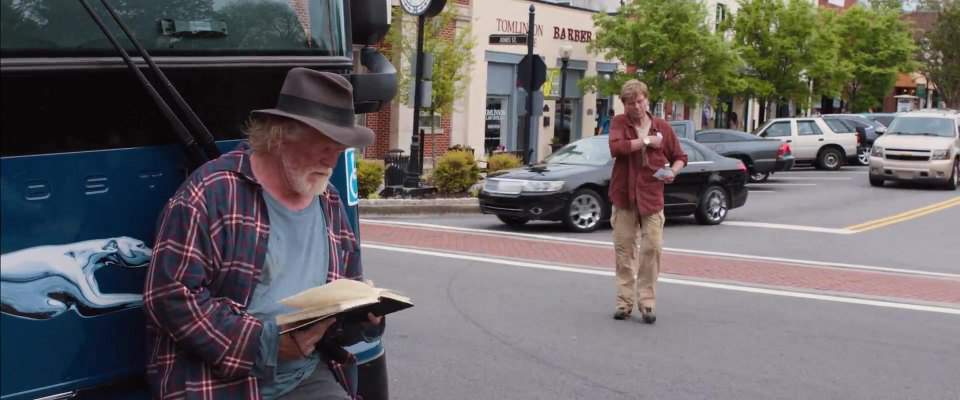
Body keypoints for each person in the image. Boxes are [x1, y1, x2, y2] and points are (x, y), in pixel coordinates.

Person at [143, 68, 382, 400]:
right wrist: (266, 346)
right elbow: (169, 297)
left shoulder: (327, 199)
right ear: (281, 135)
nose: (334, 159)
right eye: (325, 144)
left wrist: (362, 318)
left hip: (304, 376)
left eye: (341, 147)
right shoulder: (210, 193)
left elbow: (345, 292)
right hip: (220, 383)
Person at [607, 80, 688, 324]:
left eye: (640, 101)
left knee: (653, 249)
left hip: (652, 199)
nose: (636, 107)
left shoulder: (662, 127)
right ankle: (624, 302)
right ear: (625, 105)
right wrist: (645, 142)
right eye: (631, 103)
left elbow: (680, 156)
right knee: (624, 252)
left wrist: (673, 171)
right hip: (624, 198)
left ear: (647, 100)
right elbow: (616, 148)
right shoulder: (619, 123)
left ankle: (647, 302)